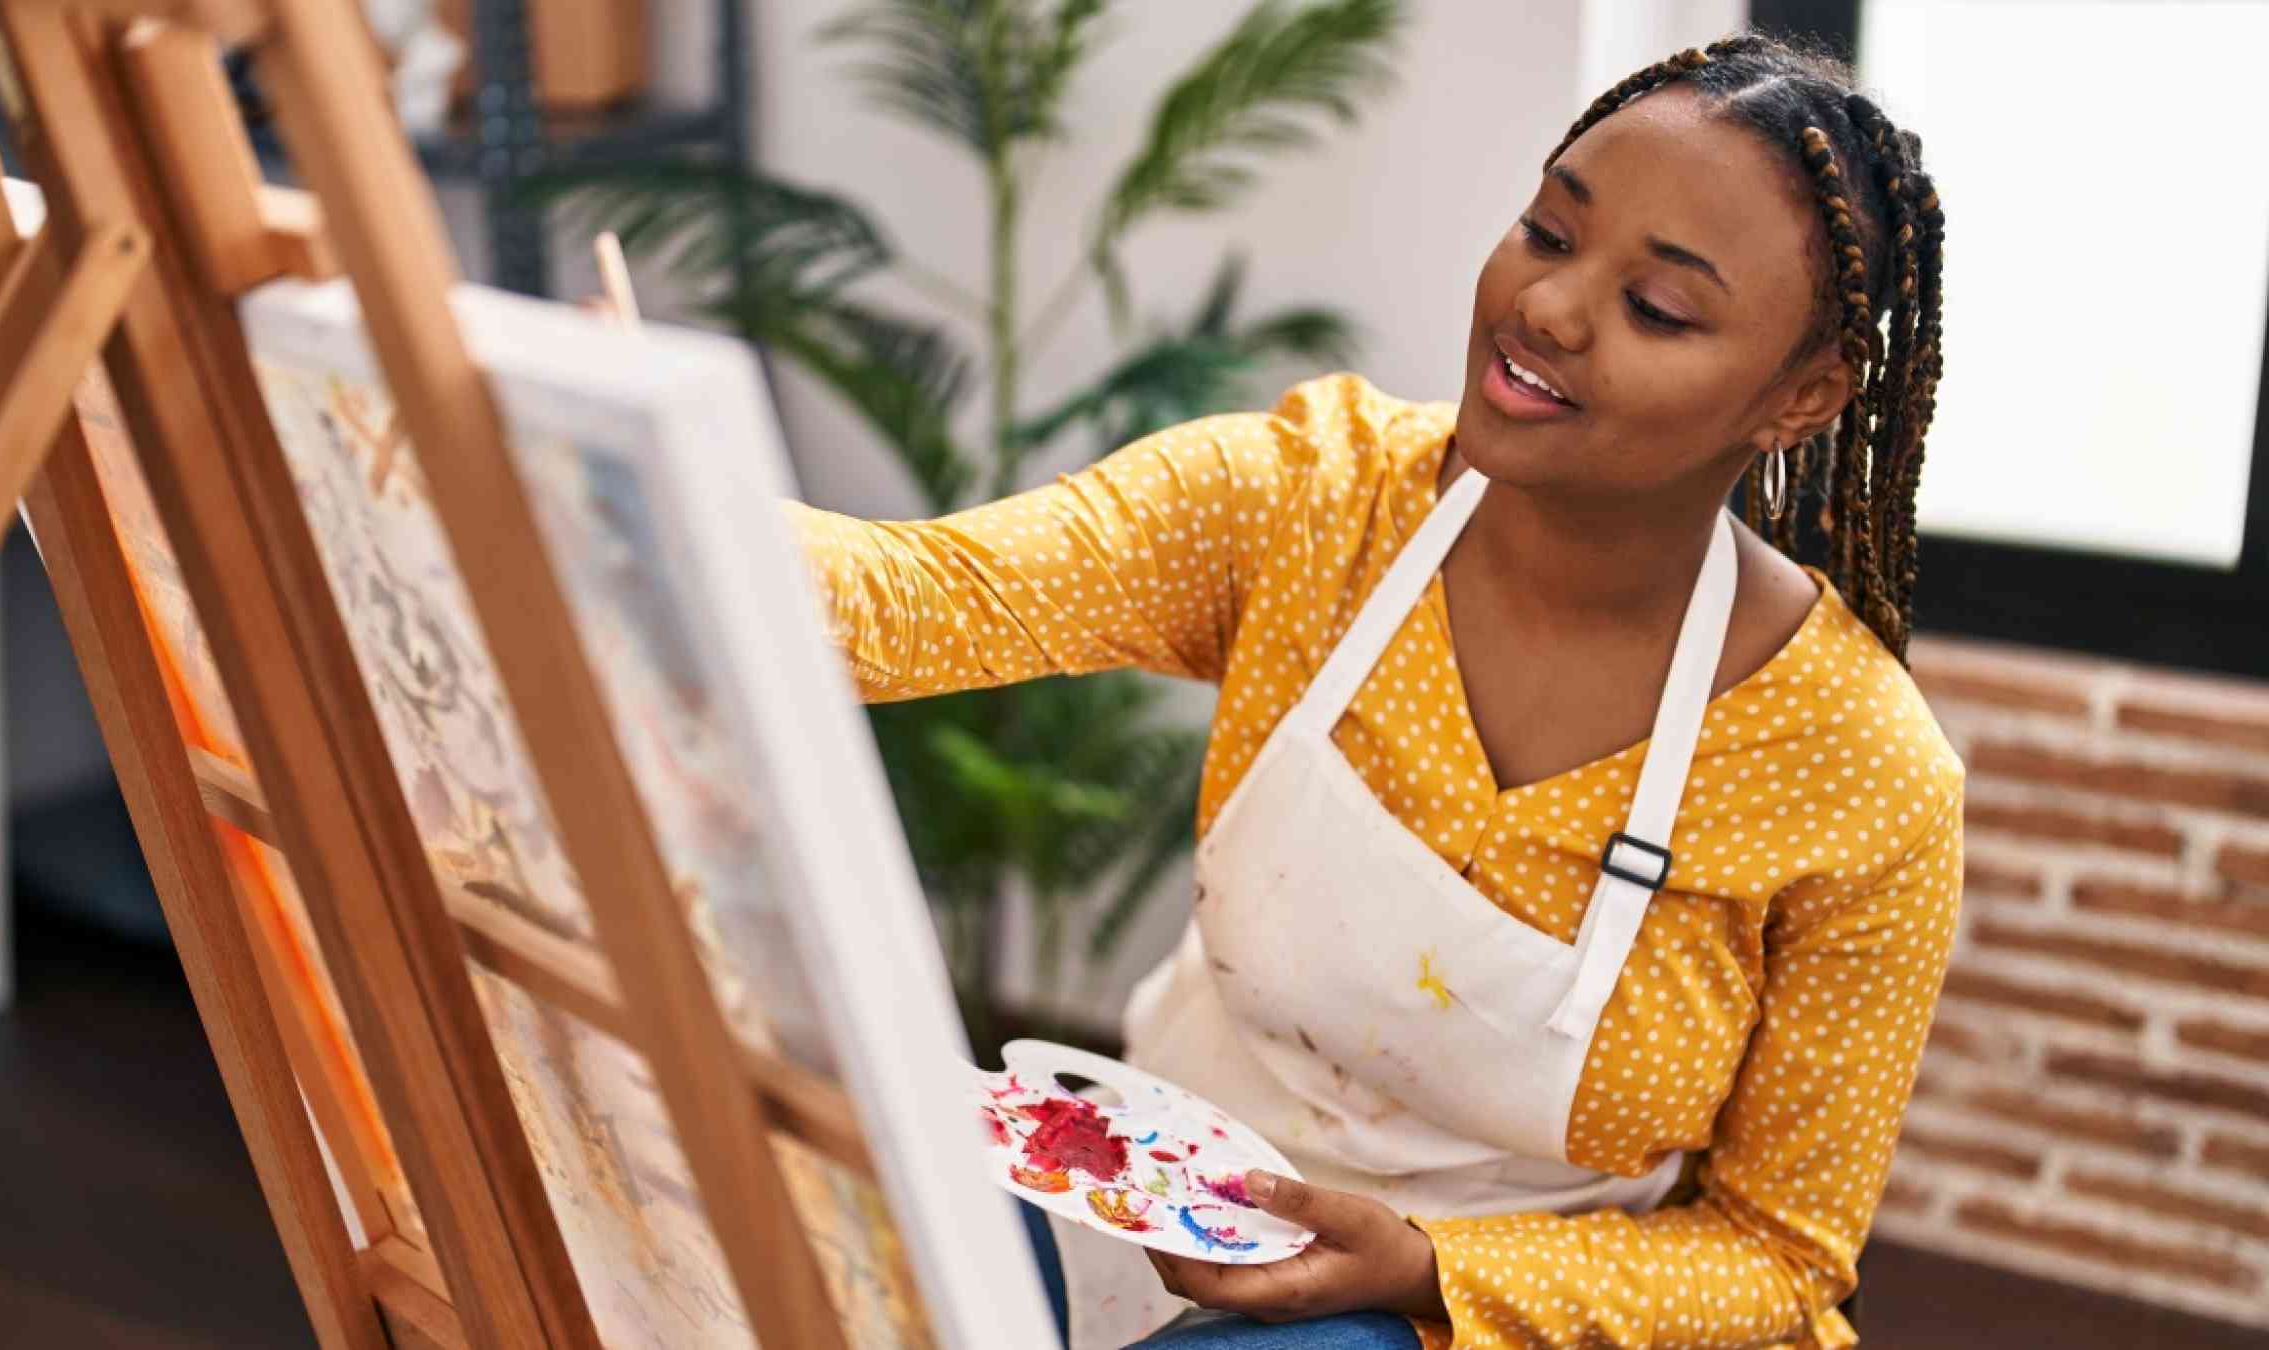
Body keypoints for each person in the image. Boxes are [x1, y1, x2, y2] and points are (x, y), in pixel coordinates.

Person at [785, 31, 1958, 1350]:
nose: (1551, 308)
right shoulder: (1312, 501)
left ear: (1801, 396)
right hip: (1167, 1205)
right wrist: (613, 473)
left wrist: (1420, 1268)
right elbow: (917, 597)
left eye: (1659, 309)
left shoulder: (1861, 771)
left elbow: (1779, 1255)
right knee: (842, 1214)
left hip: (1501, 1312)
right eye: (1549, 231)